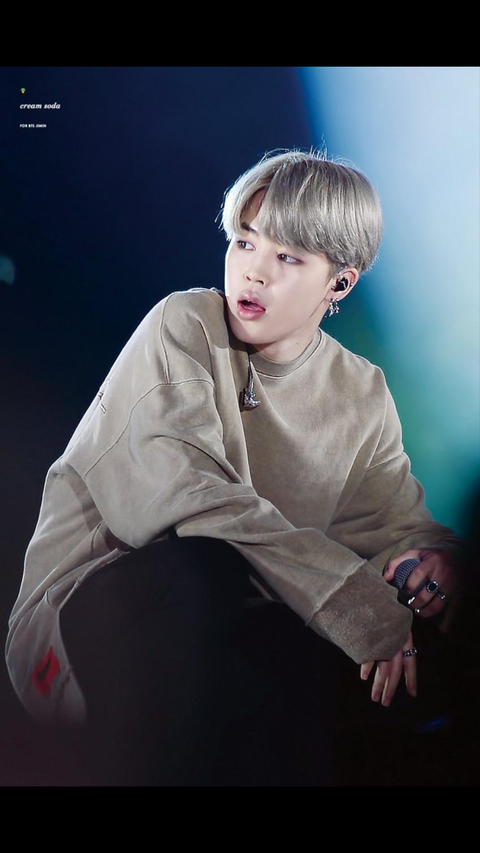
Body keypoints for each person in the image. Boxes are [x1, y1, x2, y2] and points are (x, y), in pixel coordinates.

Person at [5, 147, 467, 786]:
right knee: (206, 568)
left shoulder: (361, 391)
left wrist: (435, 564)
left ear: (340, 282)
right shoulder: (183, 324)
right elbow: (187, 502)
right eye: (245, 242)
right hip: (98, 616)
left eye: (288, 257)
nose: (253, 272)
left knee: (421, 652)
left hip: (246, 631)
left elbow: (393, 526)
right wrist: (355, 606)